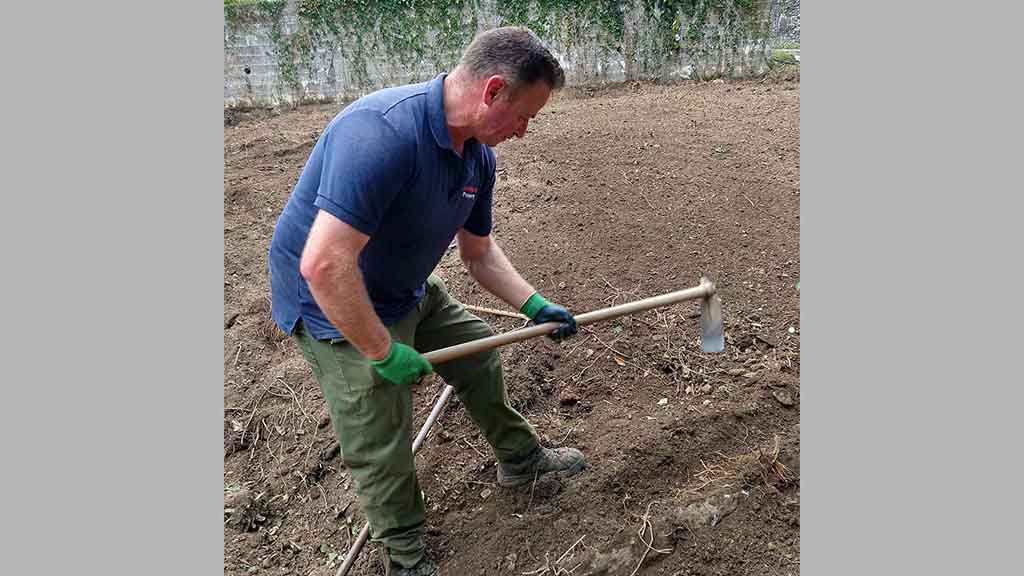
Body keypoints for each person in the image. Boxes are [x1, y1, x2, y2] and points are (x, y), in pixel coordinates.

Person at [268, 26, 585, 576]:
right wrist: (383, 352)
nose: (524, 132)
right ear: (492, 92)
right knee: (382, 432)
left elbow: (479, 253)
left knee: (478, 350)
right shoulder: (381, 134)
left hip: (405, 287)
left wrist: (534, 305)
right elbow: (323, 264)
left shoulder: (477, 158)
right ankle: (405, 556)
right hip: (331, 302)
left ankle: (520, 460)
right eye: (523, 115)